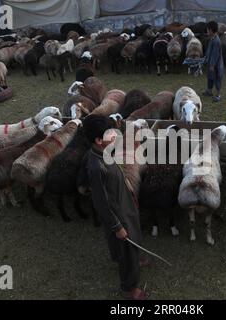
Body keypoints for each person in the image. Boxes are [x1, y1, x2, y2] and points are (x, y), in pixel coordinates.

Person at [80, 114, 149, 300]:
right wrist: (117, 226)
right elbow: (101, 202)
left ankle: (127, 257)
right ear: (98, 140)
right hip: (117, 213)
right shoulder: (96, 167)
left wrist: (125, 181)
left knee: (130, 237)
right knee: (127, 243)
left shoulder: (104, 151)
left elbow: (115, 168)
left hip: (123, 200)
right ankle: (129, 288)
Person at [203, 20, 225, 102]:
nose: (207, 31)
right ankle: (209, 91)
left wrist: (212, 65)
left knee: (217, 78)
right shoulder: (212, 39)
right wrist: (206, 58)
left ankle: (218, 94)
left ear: (211, 30)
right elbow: (209, 51)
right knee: (210, 77)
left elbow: (215, 54)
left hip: (216, 65)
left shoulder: (216, 41)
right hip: (210, 63)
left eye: (208, 29)